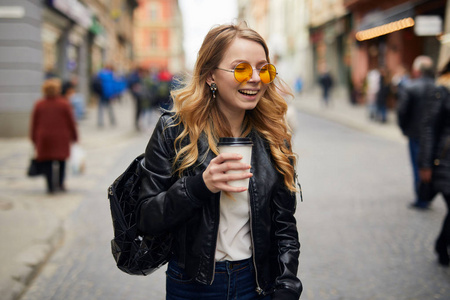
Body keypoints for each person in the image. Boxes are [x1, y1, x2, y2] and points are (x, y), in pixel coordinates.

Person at [136, 23, 302, 299]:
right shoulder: (174, 131)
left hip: (256, 282)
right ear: (211, 75)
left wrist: (287, 285)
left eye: (264, 69)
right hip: (192, 285)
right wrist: (199, 186)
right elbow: (146, 217)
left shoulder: (274, 135)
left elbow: (285, 224)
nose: (256, 79)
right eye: (241, 69)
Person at [419, 59, 450, 266]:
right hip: (445, 160)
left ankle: (441, 244)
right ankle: (441, 245)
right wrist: (426, 164)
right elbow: (429, 128)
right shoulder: (442, 90)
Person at [397, 55, 436, 209]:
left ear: (416, 70)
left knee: (417, 165)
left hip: (416, 133)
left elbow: (402, 112)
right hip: (432, 134)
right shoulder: (438, 87)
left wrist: (404, 129)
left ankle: (422, 197)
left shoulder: (410, 87)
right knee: (430, 164)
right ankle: (427, 195)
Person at [30, 78, 78, 194]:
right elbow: (71, 122)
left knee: (47, 162)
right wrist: (75, 136)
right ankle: (60, 184)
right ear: (57, 90)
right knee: (61, 161)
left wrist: (33, 138)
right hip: (61, 137)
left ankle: (50, 186)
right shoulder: (64, 103)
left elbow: (34, 123)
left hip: (45, 137)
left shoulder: (39, 104)